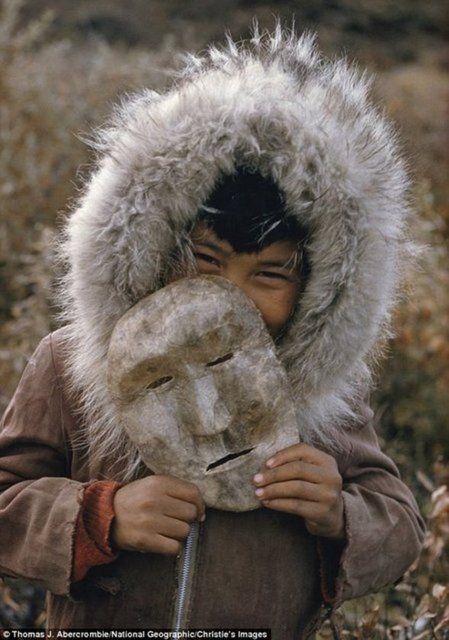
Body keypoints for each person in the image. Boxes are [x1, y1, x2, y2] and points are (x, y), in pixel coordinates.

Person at [0, 26, 425, 637]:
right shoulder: (69, 364)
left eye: (270, 274)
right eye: (205, 260)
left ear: (318, 287)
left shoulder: (325, 391)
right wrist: (99, 516)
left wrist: (340, 513)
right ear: (154, 249)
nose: (231, 297)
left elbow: (400, 526)